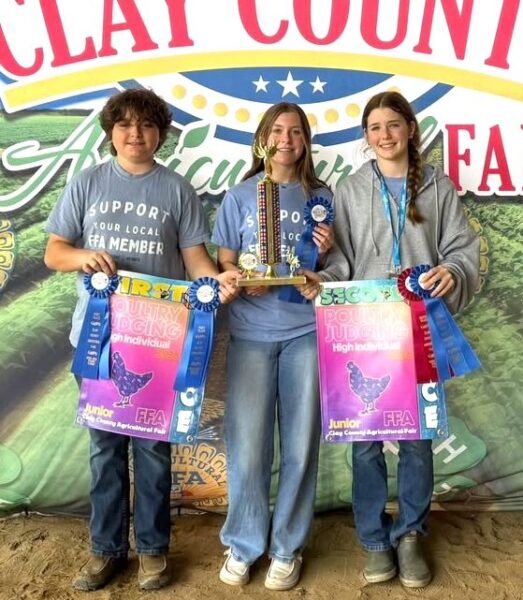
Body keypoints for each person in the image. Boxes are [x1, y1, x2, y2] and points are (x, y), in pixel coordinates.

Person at [44, 88, 237, 592]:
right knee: (104, 449)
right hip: (98, 341)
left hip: (158, 343)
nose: (136, 134)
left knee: (153, 450)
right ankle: (105, 550)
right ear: (111, 131)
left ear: (160, 134)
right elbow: (54, 252)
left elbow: (195, 259)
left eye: (147, 125)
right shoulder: (87, 183)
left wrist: (215, 281)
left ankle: (153, 550)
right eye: (126, 124)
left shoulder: (177, 190)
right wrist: (82, 257)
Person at [320, 91, 480, 588]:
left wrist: (452, 270)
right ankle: (373, 539)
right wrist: (324, 275)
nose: (384, 135)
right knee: (365, 441)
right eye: (375, 127)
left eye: (393, 124)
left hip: (418, 329)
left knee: (416, 439)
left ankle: (410, 533)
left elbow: (461, 248)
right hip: (365, 330)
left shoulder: (437, 186)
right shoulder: (350, 188)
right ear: (366, 137)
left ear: (410, 129)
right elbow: (340, 261)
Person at [211, 102, 333, 591]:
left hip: (305, 333)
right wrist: (239, 279)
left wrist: (324, 257)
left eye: (296, 132)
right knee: (247, 446)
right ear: (262, 139)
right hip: (250, 333)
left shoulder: (322, 197)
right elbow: (224, 261)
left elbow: (336, 266)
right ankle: (243, 544)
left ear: (305, 141)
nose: (287, 140)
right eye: (278, 131)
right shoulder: (239, 195)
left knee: (301, 445)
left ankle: (287, 547)